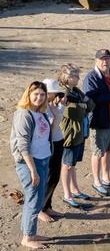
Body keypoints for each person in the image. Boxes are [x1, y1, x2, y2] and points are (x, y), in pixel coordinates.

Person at [10, 81, 51, 249]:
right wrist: (33, 170)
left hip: (43, 159)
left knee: (38, 199)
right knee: (34, 200)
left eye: (42, 95)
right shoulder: (23, 114)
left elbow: (47, 135)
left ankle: (31, 233)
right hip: (30, 163)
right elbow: (23, 145)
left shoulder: (40, 113)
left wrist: (55, 111)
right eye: (36, 94)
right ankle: (27, 238)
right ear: (28, 94)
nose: (39, 97)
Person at [83, 49, 110, 196]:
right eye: (102, 59)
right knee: (97, 152)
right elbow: (90, 100)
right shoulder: (91, 77)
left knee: (109, 151)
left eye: (107, 58)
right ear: (96, 60)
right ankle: (96, 181)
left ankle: (106, 178)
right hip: (100, 121)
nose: (105, 61)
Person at [59, 64, 94, 209]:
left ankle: (75, 190)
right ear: (67, 77)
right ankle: (67, 195)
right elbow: (73, 113)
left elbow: (91, 104)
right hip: (70, 134)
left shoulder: (76, 91)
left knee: (73, 164)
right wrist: (82, 106)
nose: (78, 78)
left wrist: (82, 105)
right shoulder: (63, 93)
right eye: (75, 76)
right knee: (67, 165)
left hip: (80, 132)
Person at [39, 79, 65, 222]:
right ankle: (40, 209)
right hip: (48, 144)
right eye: (54, 93)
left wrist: (59, 110)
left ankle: (47, 206)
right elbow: (49, 129)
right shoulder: (41, 107)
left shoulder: (52, 105)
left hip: (57, 141)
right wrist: (57, 114)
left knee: (54, 176)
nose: (56, 95)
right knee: (47, 177)